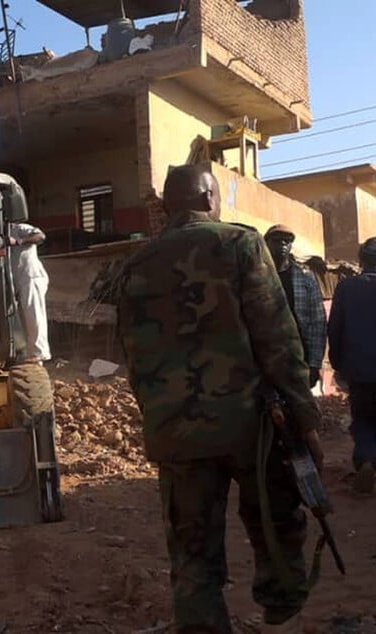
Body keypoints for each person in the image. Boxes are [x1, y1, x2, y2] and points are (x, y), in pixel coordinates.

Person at [117, 164, 323, 632]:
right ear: (210, 198)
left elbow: (133, 357)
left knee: (193, 555)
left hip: (177, 434)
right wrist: (305, 419)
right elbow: (277, 337)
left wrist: (159, 418)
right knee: (273, 520)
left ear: (168, 206)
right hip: (250, 427)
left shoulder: (135, 265)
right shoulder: (240, 244)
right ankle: (280, 600)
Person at [328, 236, 376, 495]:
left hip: (360, 369)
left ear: (361, 260)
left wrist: (338, 362)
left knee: (364, 419)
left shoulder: (347, 288)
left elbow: (334, 328)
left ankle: (366, 461)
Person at [264, 225, 327, 388]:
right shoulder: (255, 275)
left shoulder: (306, 278)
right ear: (266, 243)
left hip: (298, 355)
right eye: (277, 240)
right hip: (263, 356)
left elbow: (317, 322)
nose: (283, 244)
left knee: (300, 409)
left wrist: (314, 364)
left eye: (287, 241)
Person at [8, 222, 50, 363]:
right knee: (19, 319)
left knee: (34, 314)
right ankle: (25, 354)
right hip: (13, 281)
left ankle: (39, 353)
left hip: (30, 276)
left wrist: (19, 241)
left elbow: (40, 236)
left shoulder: (19, 228)